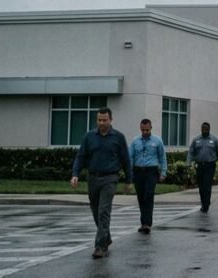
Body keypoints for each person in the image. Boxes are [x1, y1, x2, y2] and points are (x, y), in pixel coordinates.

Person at [71, 107, 132, 259]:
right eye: (99, 120)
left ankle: (100, 246)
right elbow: (81, 156)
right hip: (93, 178)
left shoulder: (118, 137)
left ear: (111, 120)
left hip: (110, 179)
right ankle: (106, 237)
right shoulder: (89, 136)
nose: (102, 123)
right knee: (95, 211)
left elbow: (126, 160)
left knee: (104, 211)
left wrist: (129, 180)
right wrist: (75, 174)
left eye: (105, 120)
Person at [129, 118, 167, 234]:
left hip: (151, 171)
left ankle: (147, 224)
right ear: (140, 128)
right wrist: (129, 174)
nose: (145, 132)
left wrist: (163, 172)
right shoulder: (135, 141)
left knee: (148, 195)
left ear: (151, 128)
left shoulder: (157, 141)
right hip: (138, 171)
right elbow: (130, 158)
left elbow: (162, 157)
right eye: (143, 130)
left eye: (147, 130)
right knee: (141, 197)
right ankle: (143, 223)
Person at [187, 122, 218, 212]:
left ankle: (206, 204)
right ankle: (203, 203)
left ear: (209, 129)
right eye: (203, 129)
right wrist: (188, 163)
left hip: (210, 166)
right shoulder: (196, 140)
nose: (204, 130)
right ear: (201, 129)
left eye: (206, 129)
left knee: (207, 185)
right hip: (199, 166)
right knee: (201, 187)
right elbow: (191, 152)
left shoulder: (214, 140)